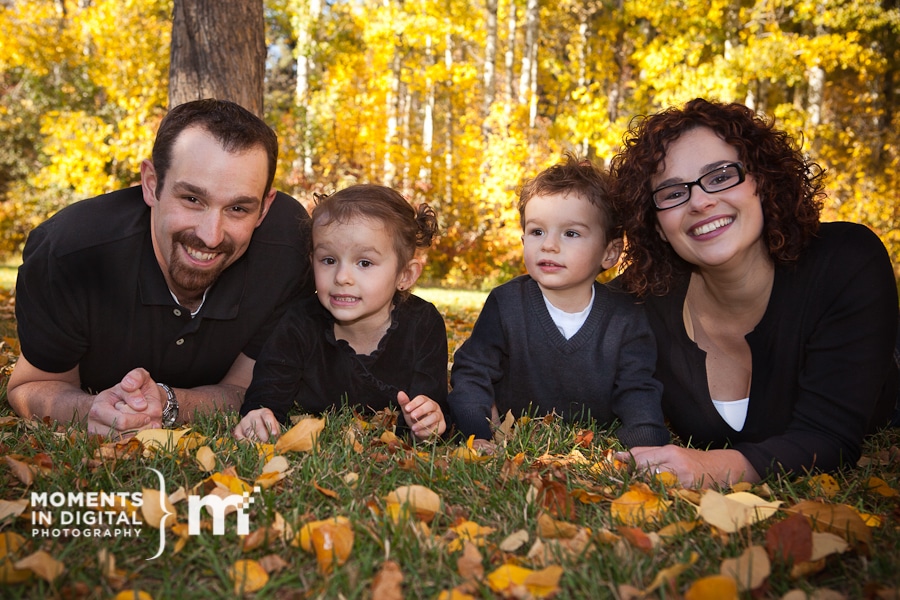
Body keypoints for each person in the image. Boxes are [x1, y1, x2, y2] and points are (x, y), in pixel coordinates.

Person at [610, 97, 899, 488]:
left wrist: (710, 468)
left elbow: (829, 439)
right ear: (658, 225)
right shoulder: (644, 299)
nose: (700, 201)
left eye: (720, 176)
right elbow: (555, 327)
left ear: (761, 181)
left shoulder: (846, 262)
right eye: (673, 193)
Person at [8, 99, 314, 437]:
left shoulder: (289, 250)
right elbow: (32, 386)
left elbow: (245, 388)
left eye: (238, 208)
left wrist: (168, 403)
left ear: (265, 207)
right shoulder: (69, 253)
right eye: (192, 199)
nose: (210, 236)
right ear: (151, 183)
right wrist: (92, 411)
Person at [447, 154, 671, 451]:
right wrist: (477, 432)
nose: (549, 244)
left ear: (610, 252)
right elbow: (473, 373)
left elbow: (638, 390)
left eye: (570, 233)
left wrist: (645, 446)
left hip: (589, 442)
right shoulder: (507, 303)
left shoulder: (624, 317)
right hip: (509, 432)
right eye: (537, 231)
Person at [233, 184, 449, 442]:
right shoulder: (299, 322)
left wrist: (428, 422)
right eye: (329, 260)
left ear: (405, 275)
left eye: (364, 263)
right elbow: (267, 391)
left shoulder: (424, 324)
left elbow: (431, 407)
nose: (342, 277)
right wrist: (259, 414)